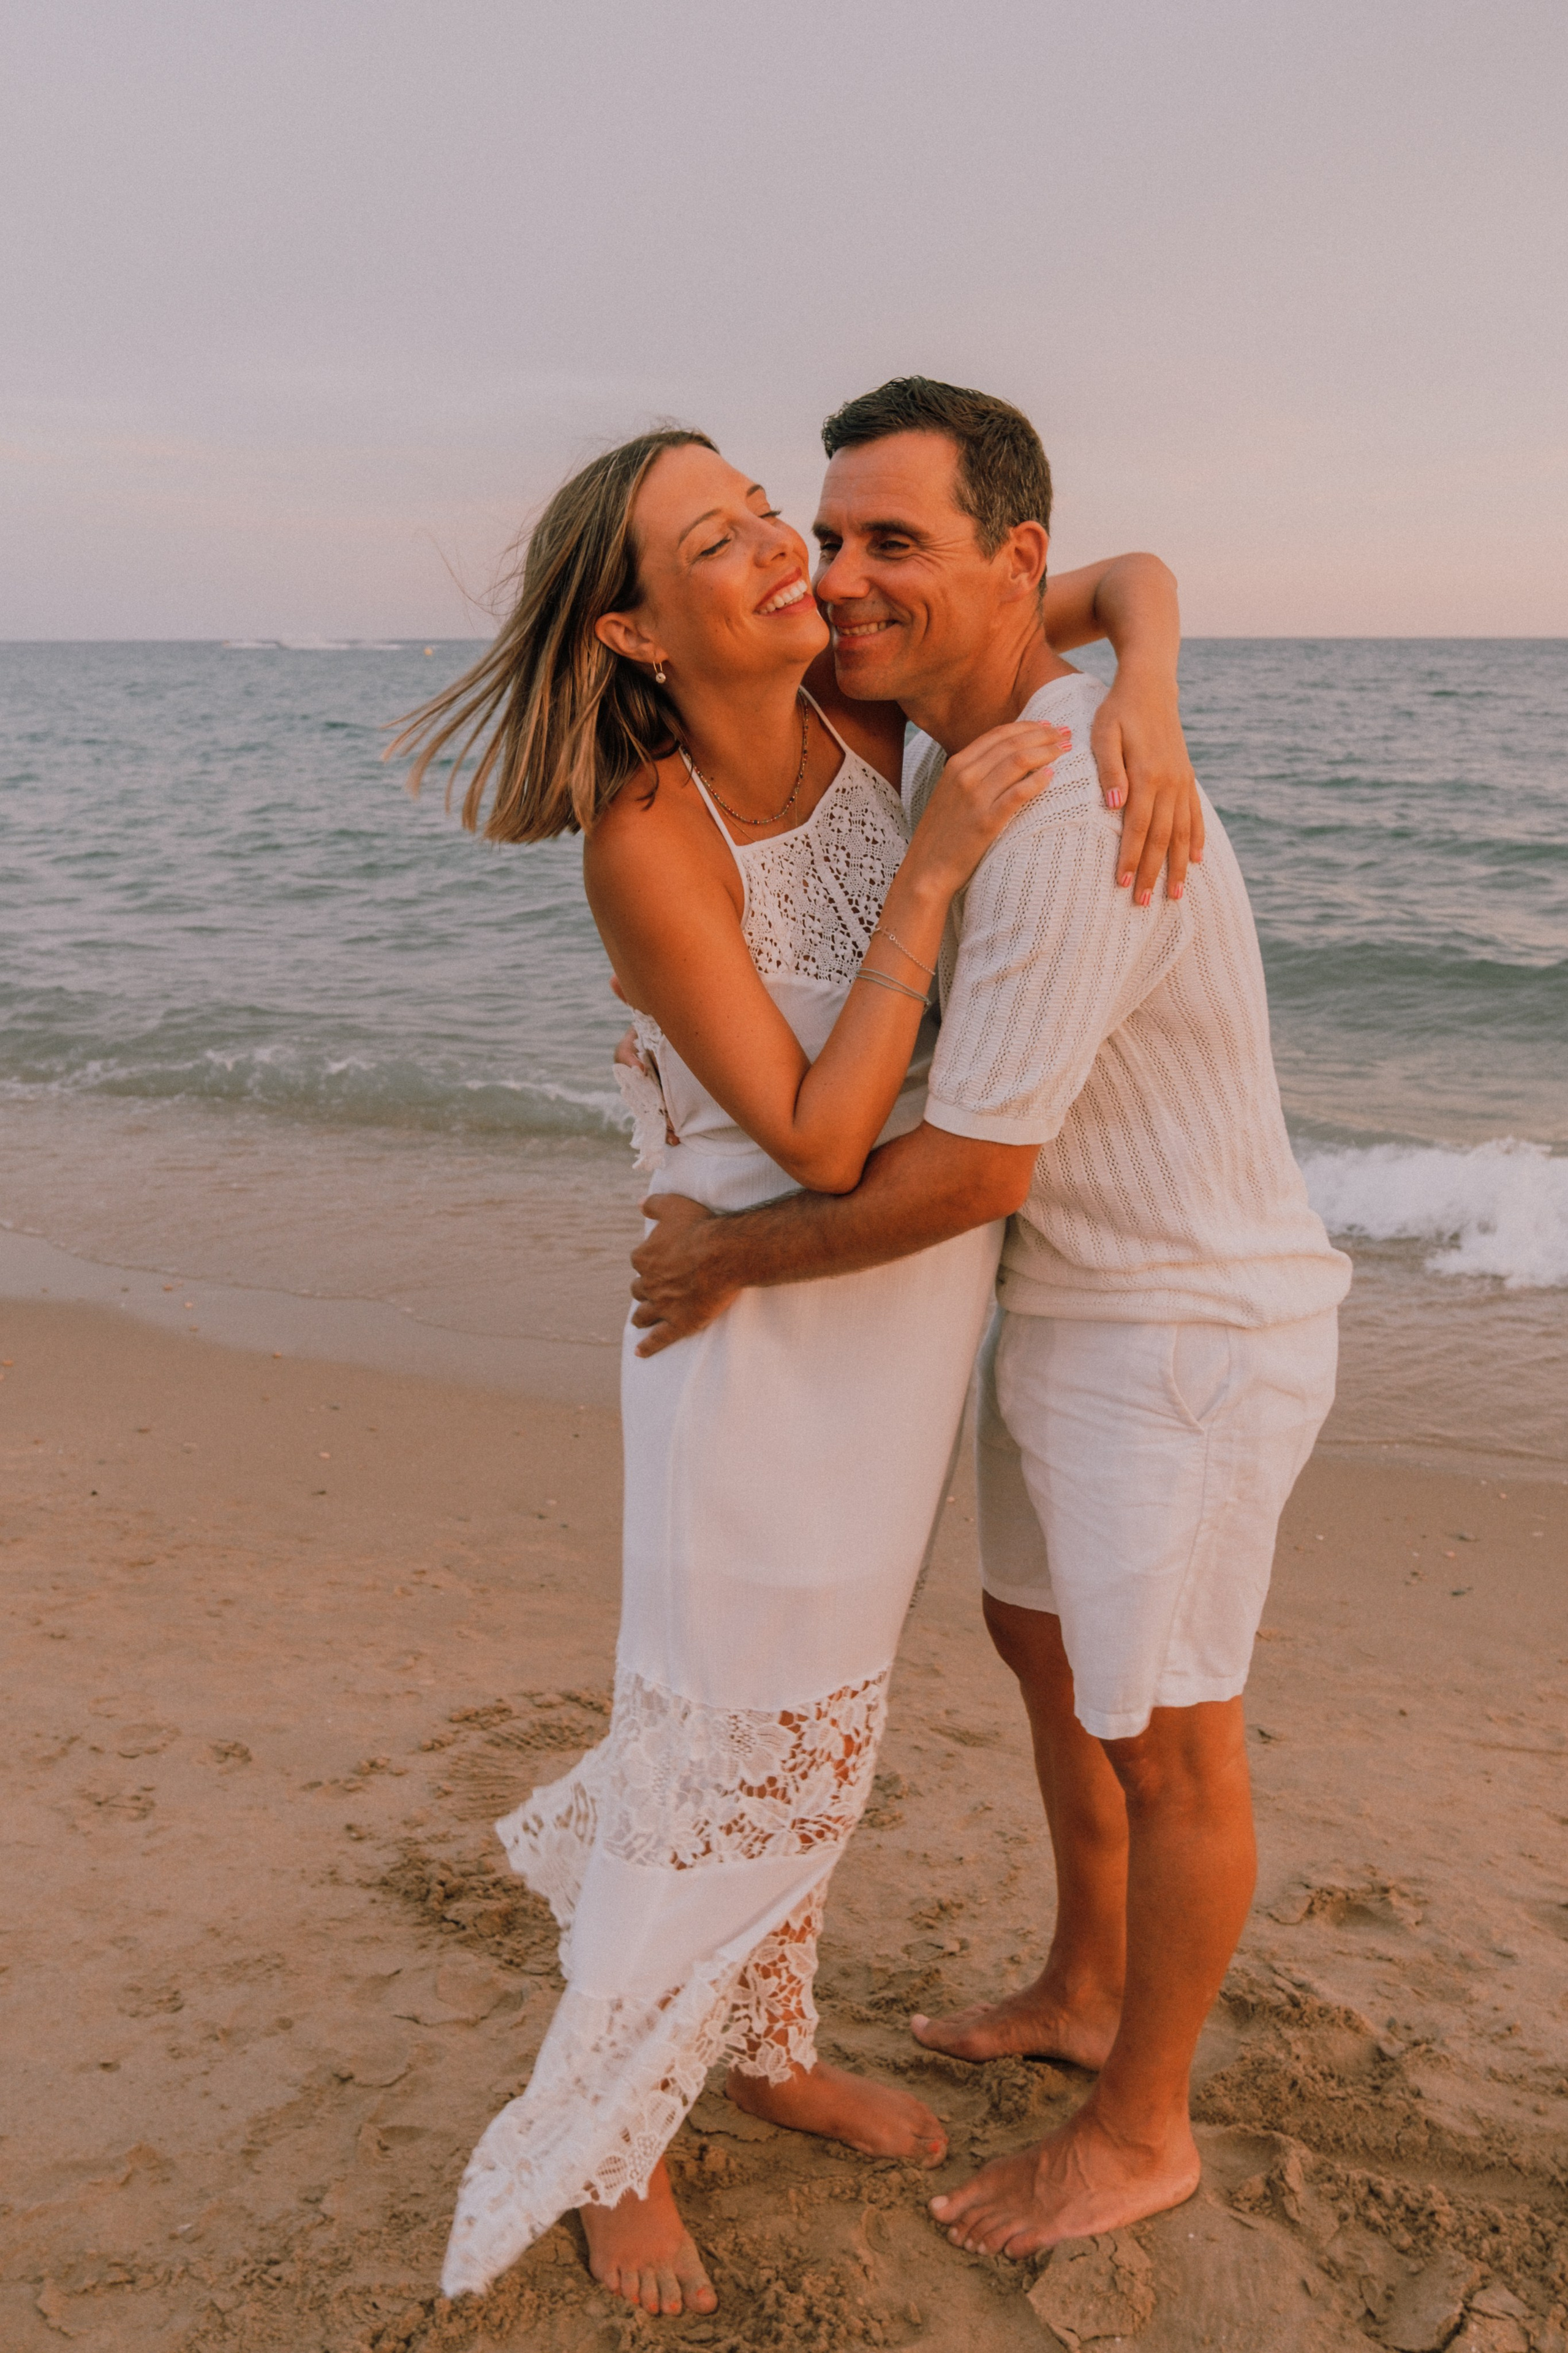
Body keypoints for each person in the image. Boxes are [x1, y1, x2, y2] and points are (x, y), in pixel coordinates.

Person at [390, 421, 1199, 2317]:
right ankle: (619, 2144)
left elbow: (1119, 583)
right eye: (720, 539)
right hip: (745, 1335)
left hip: (895, 1314)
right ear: (636, 632)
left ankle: (766, 2039)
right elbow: (825, 1140)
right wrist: (927, 869)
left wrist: (1142, 694)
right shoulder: (646, 840)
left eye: (766, 512)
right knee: (711, 1737)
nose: (781, 552)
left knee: (823, 1728)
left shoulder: (859, 692)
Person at [627, 377, 1352, 2262]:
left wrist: (724, 1257)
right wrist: (1154, 661)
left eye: (895, 544)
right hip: (1073, 1316)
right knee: (1040, 1644)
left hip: (1180, 1323)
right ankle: (1087, 1983)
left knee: (1175, 1732)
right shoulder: (965, 728)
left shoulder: (1058, 802)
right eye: (830, 530)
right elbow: (1125, 579)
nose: (842, 577)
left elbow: (968, 1173)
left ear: (1005, 562)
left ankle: (1142, 2124)